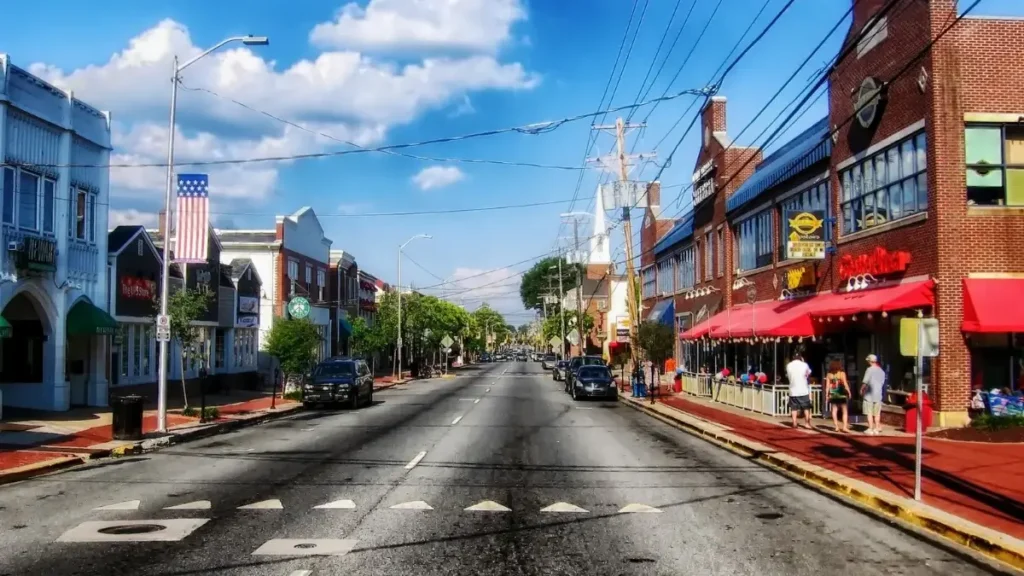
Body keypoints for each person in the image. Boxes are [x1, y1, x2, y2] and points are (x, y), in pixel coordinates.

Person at [785, 351, 813, 429]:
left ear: (793, 358)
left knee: (794, 408)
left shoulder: (788, 365)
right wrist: (803, 362)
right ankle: (807, 423)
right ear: (800, 357)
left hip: (793, 390)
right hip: (803, 389)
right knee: (806, 408)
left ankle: (794, 423)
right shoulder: (804, 365)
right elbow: (808, 373)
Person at [860, 354, 886, 435]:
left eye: (868, 360)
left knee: (869, 413)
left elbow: (865, 381)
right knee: (877, 413)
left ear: (870, 361)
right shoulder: (881, 371)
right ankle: (877, 428)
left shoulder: (869, 370)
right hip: (878, 395)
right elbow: (882, 382)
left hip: (869, 395)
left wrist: (861, 389)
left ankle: (870, 428)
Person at [826, 360, 851, 433]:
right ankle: (844, 427)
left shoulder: (829, 375)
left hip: (833, 392)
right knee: (844, 410)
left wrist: (827, 395)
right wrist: (849, 392)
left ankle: (836, 427)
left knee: (834, 410)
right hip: (841, 392)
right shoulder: (842, 373)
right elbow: (845, 384)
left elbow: (827, 386)